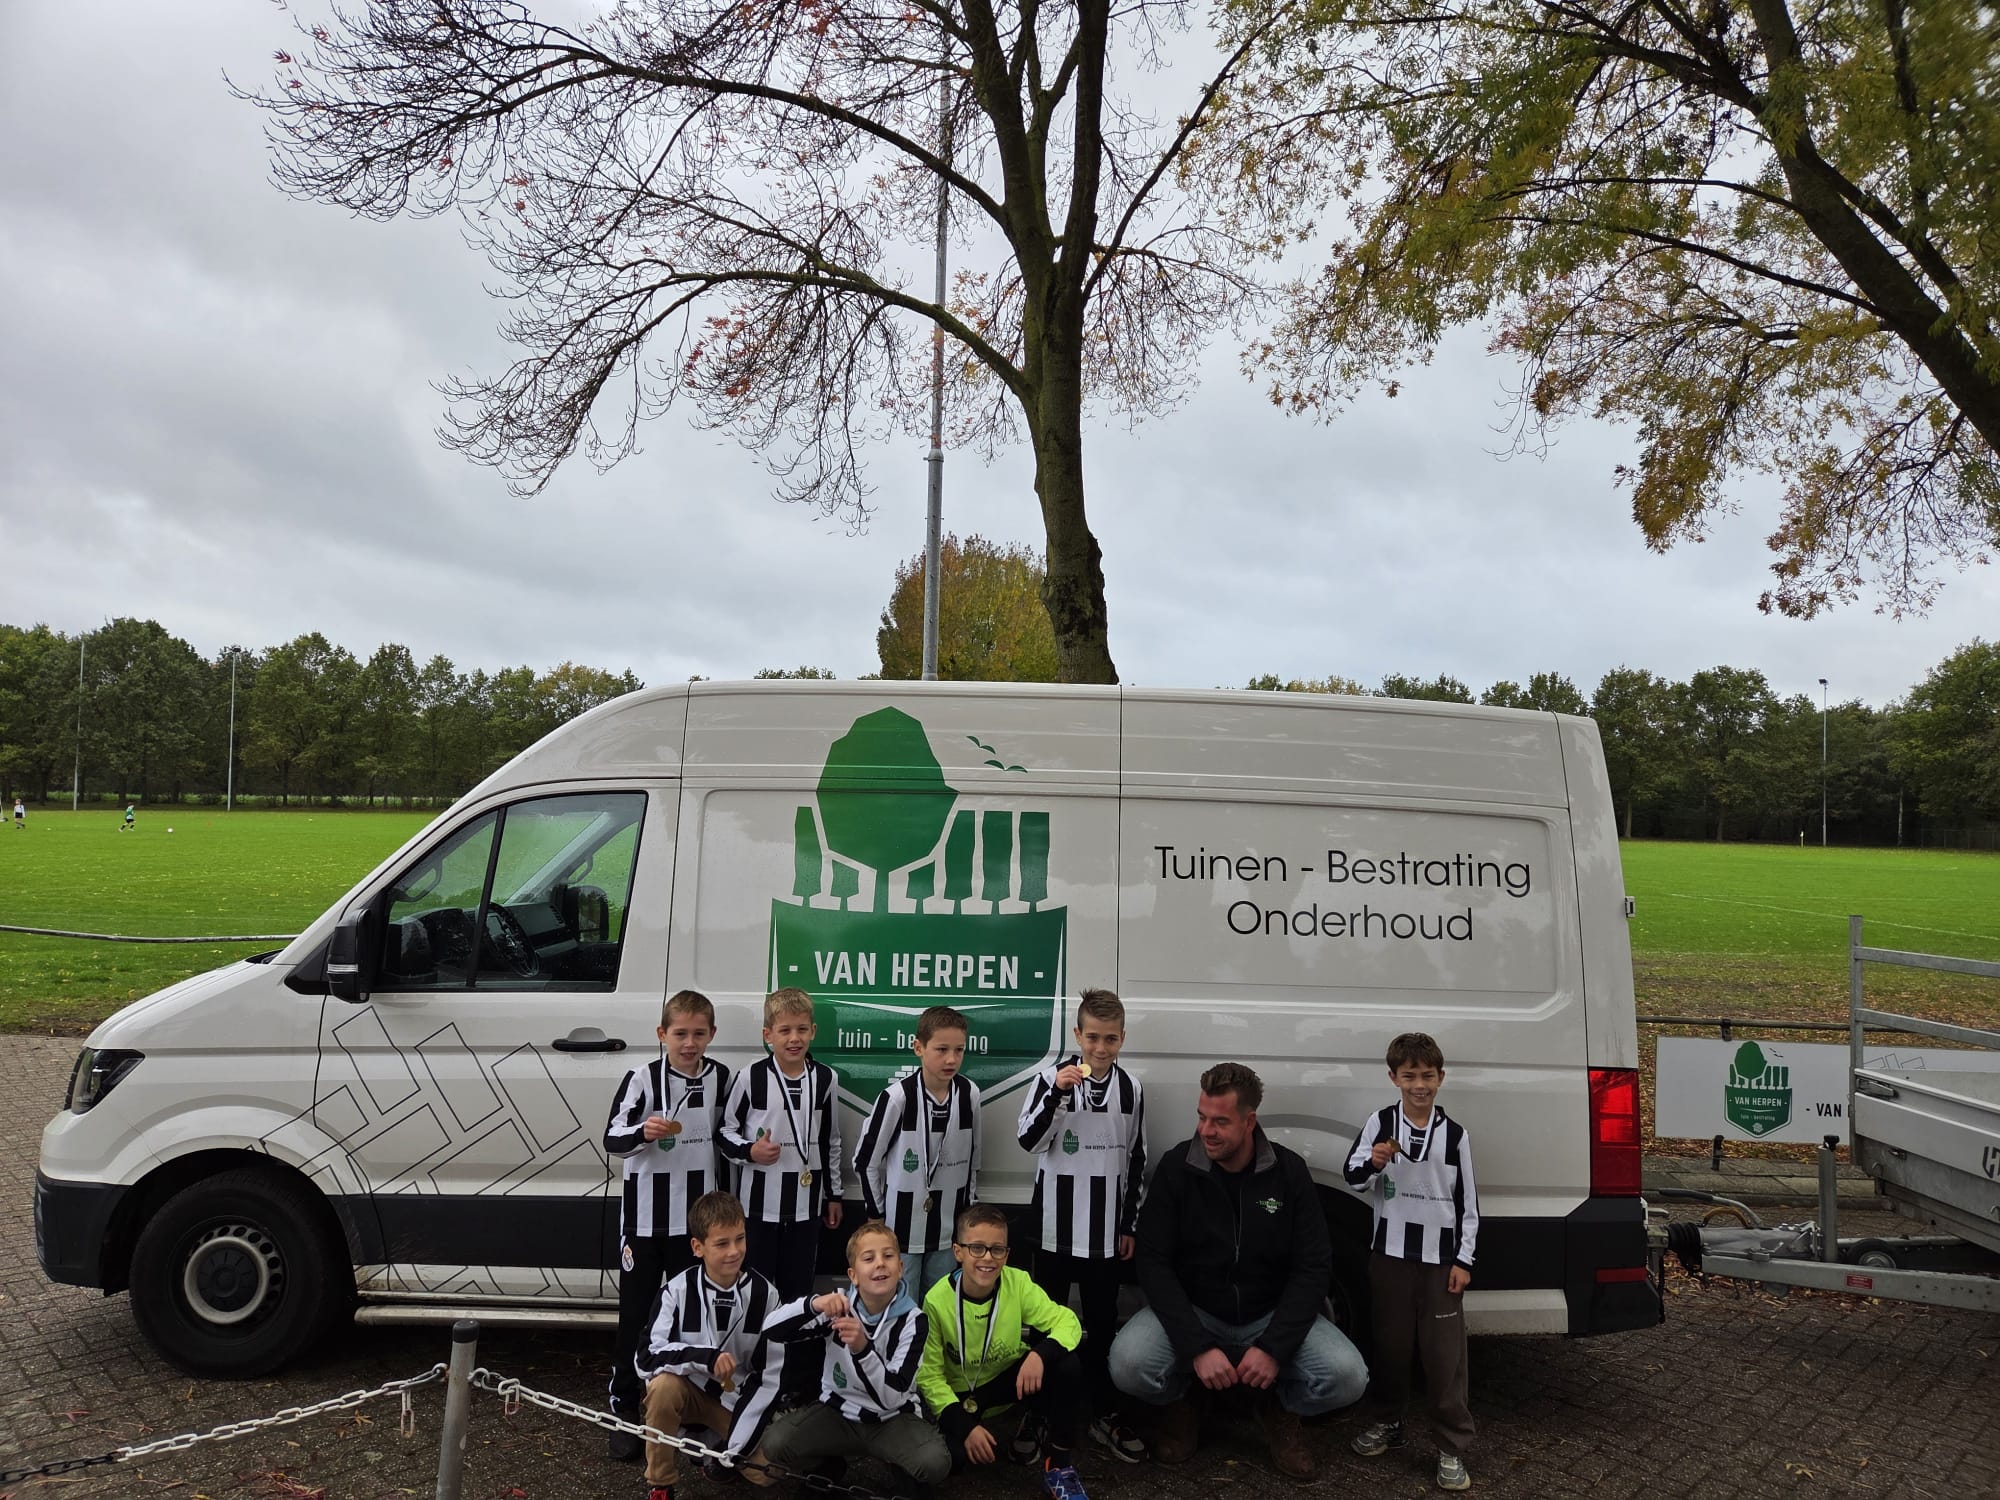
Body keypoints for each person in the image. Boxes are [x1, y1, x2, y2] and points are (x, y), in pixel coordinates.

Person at [1108, 1061, 1367, 1482]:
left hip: (1268, 1313)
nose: (1206, 1130)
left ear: (1250, 1122)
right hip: (1196, 1310)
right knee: (1128, 1365)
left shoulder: (1289, 1172)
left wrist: (1274, 1348)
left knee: (1348, 1377)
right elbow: (1153, 1263)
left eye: (1220, 1121)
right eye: (1202, 1117)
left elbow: (1313, 1265)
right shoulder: (1177, 1168)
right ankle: (1187, 1401)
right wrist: (1196, 1347)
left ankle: (1277, 1408)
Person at [1343, 1032, 1481, 1493]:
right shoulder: (1380, 1123)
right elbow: (1352, 1177)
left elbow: (1468, 1205)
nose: (1418, 1085)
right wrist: (1375, 1162)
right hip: (1390, 1257)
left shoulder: (1456, 1135)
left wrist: (1464, 1260)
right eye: (1409, 1076)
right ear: (1393, 1078)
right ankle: (1388, 1421)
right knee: (1391, 1347)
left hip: (1441, 1263)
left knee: (1444, 1357)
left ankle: (1451, 1445)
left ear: (1440, 1078)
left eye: (1426, 1076)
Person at [1015, 987, 1148, 1463]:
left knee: (1100, 1325)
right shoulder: (1049, 1079)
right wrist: (1057, 1093)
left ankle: (1101, 1412)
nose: (1100, 1047)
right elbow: (1028, 1141)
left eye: (1110, 1039)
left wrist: (1128, 1224)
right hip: (1054, 1228)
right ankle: (1039, 1411)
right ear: (1077, 1035)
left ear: (1122, 1038)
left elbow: (1136, 1158)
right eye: (1092, 1037)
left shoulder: (1132, 1088)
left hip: (1105, 1234)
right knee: (1045, 1325)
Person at [602, 989, 733, 1461]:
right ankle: (624, 1405)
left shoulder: (721, 1078)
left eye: (699, 1034)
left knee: (690, 1318)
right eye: (680, 1034)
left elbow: (727, 1135)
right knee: (637, 1315)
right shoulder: (641, 1078)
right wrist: (643, 1132)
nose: (690, 1043)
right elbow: (611, 1138)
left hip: (695, 1226)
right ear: (663, 1034)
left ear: (712, 1035)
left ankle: (689, 1409)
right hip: (645, 1224)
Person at [758, 1220, 951, 1499]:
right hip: (837, 1414)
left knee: (933, 1462)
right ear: (853, 1275)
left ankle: (901, 1469)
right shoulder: (838, 1308)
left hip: (892, 1418)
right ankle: (828, 1467)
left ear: (900, 1268)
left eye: (888, 1256)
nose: (880, 1263)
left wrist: (863, 1348)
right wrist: (813, 1304)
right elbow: (770, 1331)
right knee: (776, 1443)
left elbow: (892, 1397)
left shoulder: (914, 1320)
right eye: (868, 1258)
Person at [916, 1204, 1092, 1499]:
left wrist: (1040, 1354)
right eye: (977, 1248)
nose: (988, 1258)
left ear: (1007, 1254)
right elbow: (930, 1376)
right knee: (953, 1461)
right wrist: (964, 1427)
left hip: (1006, 1382)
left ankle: (1058, 1465)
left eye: (997, 1249)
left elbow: (1068, 1321)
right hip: (963, 1393)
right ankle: (972, 1428)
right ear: (958, 1252)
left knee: (1066, 1364)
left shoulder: (1018, 1283)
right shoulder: (936, 1301)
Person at [632, 1190, 787, 1500]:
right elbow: (645, 1358)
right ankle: (660, 1483)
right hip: (688, 1391)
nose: (734, 1251)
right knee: (662, 1387)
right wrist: (705, 1357)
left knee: (769, 1473)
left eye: (740, 1239)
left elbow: (771, 1369)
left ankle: (718, 1450)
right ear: (697, 1247)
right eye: (721, 1243)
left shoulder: (766, 1295)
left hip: (733, 1401)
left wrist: (752, 1421)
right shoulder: (676, 1290)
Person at [854, 1004, 982, 1305]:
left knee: (939, 1306)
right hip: (901, 1231)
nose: (951, 1059)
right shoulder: (897, 1097)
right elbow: (865, 1161)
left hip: (948, 1229)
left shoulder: (970, 1094)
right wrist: (877, 1216)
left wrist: (967, 1217)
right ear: (918, 1048)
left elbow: (974, 1161)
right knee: (902, 1304)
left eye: (959, 1050)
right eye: (941, 1049)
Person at [720, 987, 843, 1299]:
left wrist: (834, 1195)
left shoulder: (826, 1078)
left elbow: (830, 1140)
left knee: (798, 1291)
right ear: (768, 1035)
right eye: (785, 1030)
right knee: (756, 1290)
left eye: (802, 1029)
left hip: (806, 1204)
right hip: (757, 1208)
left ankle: (793, 1333)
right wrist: (750, 1151)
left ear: (813, 1031)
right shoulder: (750, 1077)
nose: (794, 1038)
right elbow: (724, 1132)